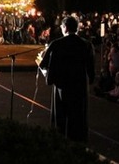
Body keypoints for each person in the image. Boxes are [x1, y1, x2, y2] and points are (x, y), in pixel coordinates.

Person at [39, 15, 95, 143]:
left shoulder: (57, 44)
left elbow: (43, 64)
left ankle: (60, 140)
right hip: (79, 84)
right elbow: (90, 67)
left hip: (61, 85)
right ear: (77, 28)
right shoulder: (86, 44)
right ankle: (78, 140)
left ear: (64, 28)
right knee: (77, 114)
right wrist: (90, 78)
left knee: (61, 115)